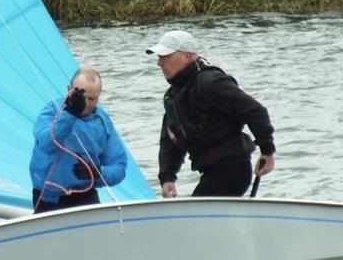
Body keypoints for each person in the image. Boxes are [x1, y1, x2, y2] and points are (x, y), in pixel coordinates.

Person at [146, 30, 275, 198]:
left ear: (187, 56)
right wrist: (167, 176)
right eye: (159, 57)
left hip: (232, 170)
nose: (159, 63)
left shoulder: (210, 82)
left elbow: (255, 111)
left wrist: (267, 152)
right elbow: (170, 139)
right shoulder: (173, 95)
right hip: (211, 171)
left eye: (166, 57)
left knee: (193, 217)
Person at [29, 67, 127, 212]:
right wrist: (69, 114)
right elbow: (46, 142)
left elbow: (119, 166)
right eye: (82, 96)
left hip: (86, 194)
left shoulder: (103, 122)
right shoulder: (51, 112)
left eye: (92, 99)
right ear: (70, 89)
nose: (86, 104)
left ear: (99, 95)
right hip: (48, 197)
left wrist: (98, 173)